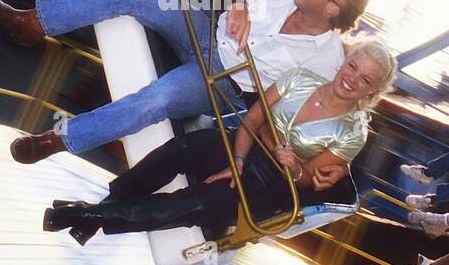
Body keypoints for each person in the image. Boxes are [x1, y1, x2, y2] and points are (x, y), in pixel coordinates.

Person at [0, 0, 374, 161]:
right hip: (205, 29)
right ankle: (32, 24)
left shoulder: (328, 62)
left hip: (225, 86)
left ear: (331, 8)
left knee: (157, 99)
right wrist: (237, 3)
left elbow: (328, 110)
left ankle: (58, 140)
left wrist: (304, 155)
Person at [42, 39, 397, 244]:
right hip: (242, 146)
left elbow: (307, 181)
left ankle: (84, 213)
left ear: (372, 91)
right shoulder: (299, 78)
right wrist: (238, 163)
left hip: (271, 183)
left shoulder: (353, 132)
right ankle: (94, 215)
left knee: (196, 202)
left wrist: (295, 166)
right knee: (183, 148)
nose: (353, 79)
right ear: (343, 62)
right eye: (352, 66)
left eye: (365, 80)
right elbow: (251, 121)